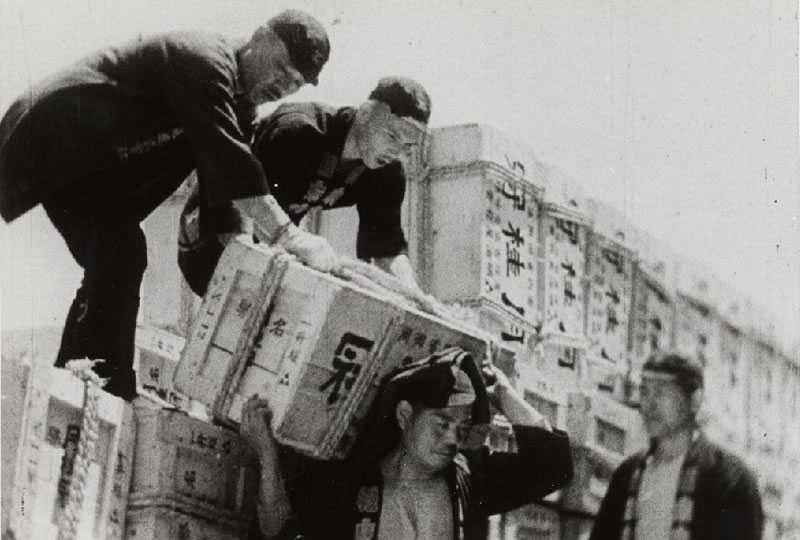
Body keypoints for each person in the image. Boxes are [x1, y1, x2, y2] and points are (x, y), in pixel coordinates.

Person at [0, 10, 336, 400]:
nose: (283, 85)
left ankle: (80, 382)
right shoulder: (205, 60)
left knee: (115, 256)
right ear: (258, 37)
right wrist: (290, 238)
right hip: (54, 135)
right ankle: (105, 387)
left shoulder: (239, 109)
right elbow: (232, 165)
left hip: (96, 167)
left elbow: (226, 203)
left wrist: (246, 268)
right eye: (280, 67)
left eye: (295, 83)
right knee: (119, 253)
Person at [240, 347, 574, 540]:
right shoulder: (347, 483)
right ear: (404, 416)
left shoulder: (470, 479)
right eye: (441, 423)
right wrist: (267, 457)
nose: (452, 439)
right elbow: (279, 533)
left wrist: (504, 394)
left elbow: (554, 466)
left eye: (462, 428)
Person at [178, 76, 431, 296]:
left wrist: (414, 297)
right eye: (391, 136)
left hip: (271, 239)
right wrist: (293, 243)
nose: (395, 151)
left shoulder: (386, 171)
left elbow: (387, 248)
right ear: (365, 112)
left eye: (407, 146)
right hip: (210, 231)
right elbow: (248, 204)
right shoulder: (299, 131)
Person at [590, 351, 763, 540]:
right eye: (645, 391)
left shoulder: (730, 480)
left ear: (694, 400)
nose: (650, 404)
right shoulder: (627, 475)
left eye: (662, 392)